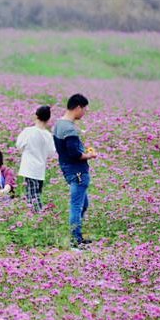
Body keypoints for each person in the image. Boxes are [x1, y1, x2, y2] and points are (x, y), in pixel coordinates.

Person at [53, 94, 98, 250]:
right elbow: (74, 154)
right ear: (78, 107)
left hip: (68, 169)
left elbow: (66, 151)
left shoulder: (59, 124)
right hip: (77, 172)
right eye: (84, 109)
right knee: (76, 206)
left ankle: (77, 235)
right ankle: (75, 241)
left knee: (83, 204)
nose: (85, 112)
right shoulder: (70, 129)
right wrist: (89, 155)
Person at [16, 105, 56, 211]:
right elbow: (51, 153)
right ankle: (37, 216)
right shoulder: (48, 135)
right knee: (37, 193)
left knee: (32, 196)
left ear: (36, 116)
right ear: (48, 119)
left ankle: (39, 216)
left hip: (29, 168)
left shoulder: (28, 131)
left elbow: (19, 145)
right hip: (40, 169)